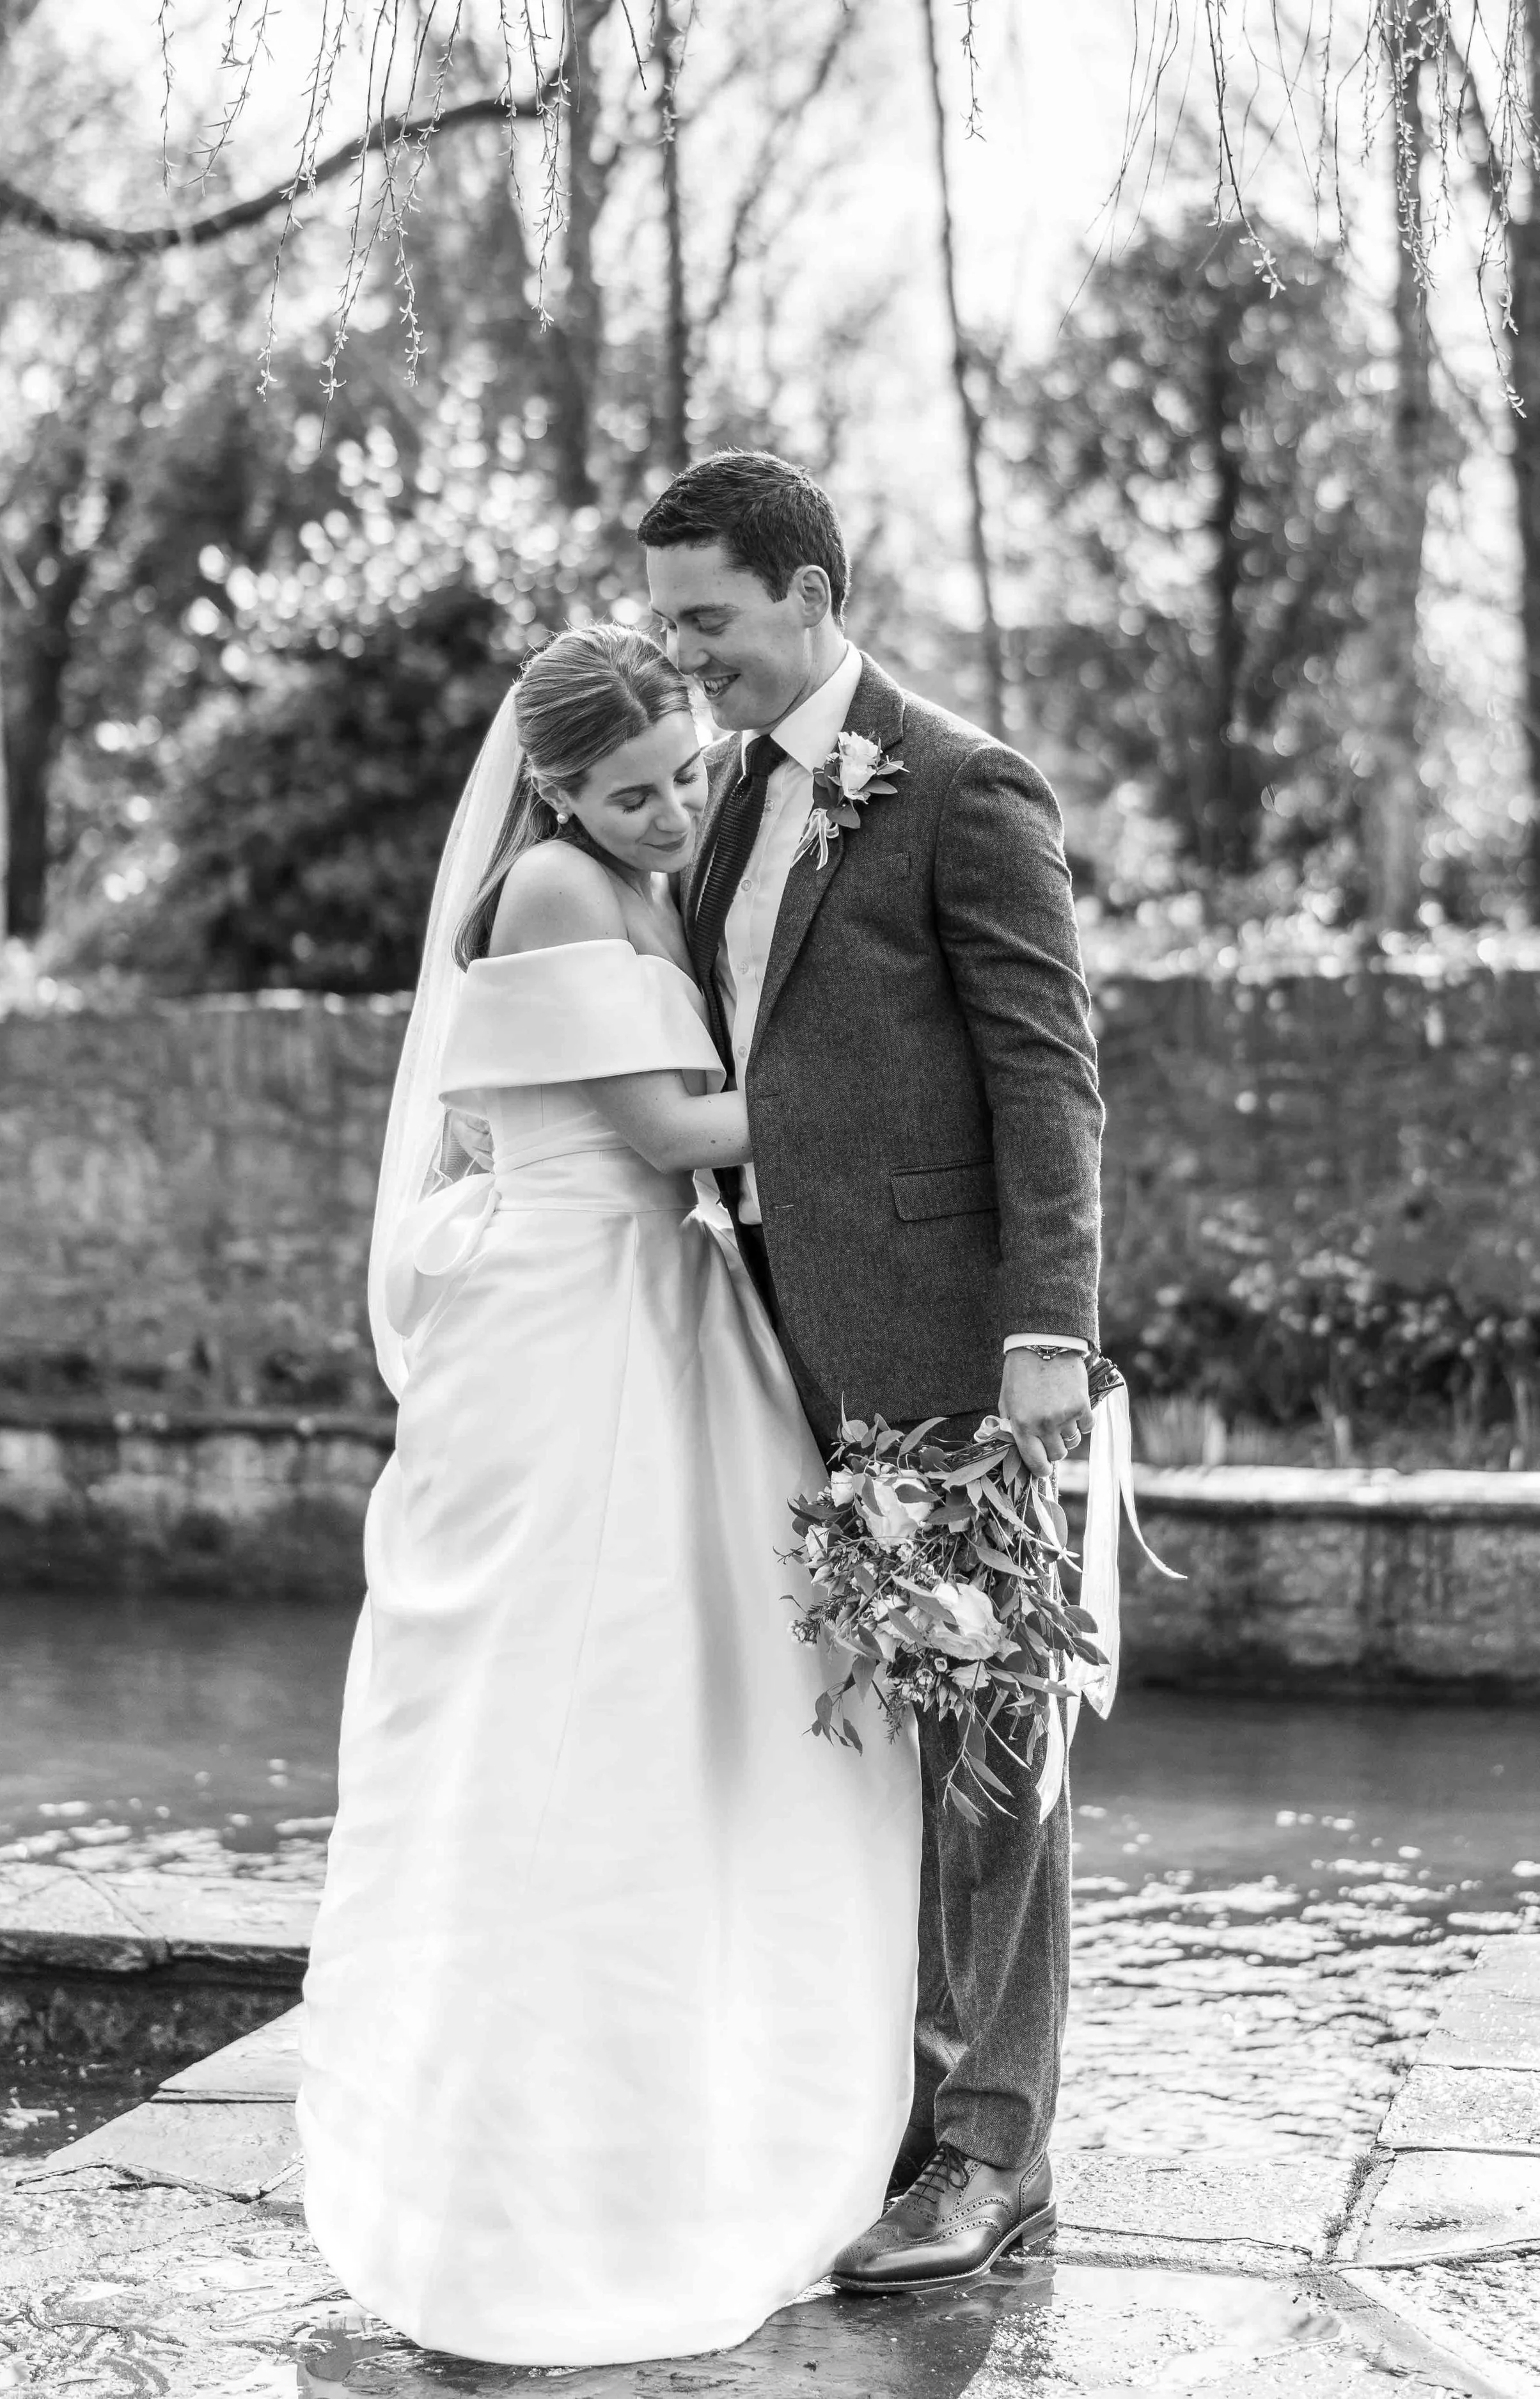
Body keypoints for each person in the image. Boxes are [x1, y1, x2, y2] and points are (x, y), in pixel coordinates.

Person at [295, 624, 920, 2366]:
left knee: (714, 1705)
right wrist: (890, 1089)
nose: (673, 810)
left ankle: (719, 2108)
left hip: (661, 1307)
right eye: (633, 790)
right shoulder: (562, 893)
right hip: (576, 1327)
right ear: (554, 788)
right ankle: (547, 2172)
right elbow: (659, 1130)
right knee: (585, 1707)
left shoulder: (652, 868)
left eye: (689, 775)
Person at [638, 451, 1105, 2292]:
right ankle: (871, 2095)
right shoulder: (722, 797)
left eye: (711, 619)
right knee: (834, 1731)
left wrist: (1046, 1333)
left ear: (812, 594)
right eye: (670, 620)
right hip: (753, 1331)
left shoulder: (958, 785)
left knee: (986, 1730)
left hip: (937, 1345)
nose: (687, 656)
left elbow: (1046, 1072)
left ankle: (993, 2145)